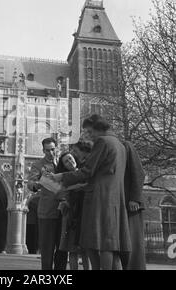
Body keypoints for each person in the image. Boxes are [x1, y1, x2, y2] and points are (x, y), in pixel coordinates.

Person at [49, 115, 132, 270]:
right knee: (110, 243)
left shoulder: (102, 142)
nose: (89, 135)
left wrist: (60, 176)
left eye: (89, 131)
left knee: (94, 242)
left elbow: (87, 171)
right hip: (114, 197)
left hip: (98, 197)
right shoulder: (120, 145)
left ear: (97, 127)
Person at [27, 137, 68, 270]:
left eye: (52, 149)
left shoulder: (63, 162)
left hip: (64, 211)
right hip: (47, 212)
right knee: (47, 249)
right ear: (43, 150)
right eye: (47, 150)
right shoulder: (38, 165)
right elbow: (30, 184)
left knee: (62, 249)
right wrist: (40, 183)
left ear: (56, 148)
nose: (50, 153)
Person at [56, 148, 90, 270]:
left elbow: (89, 185)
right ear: (63, 166)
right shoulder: (65, 178)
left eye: (70, 158)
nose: (70, 162)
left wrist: (75, 187)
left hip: (85, 214)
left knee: (86, 251)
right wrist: (78, 186)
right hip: (71, 215)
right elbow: (60, 192)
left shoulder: (84, 172)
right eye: (66, 161)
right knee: (72, 250)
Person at [120, 140, 146, 270]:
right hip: (119, 203)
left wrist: (134, 198)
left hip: (131, 205)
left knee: (133, 244)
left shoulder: (126, 146)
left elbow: (139, 173)